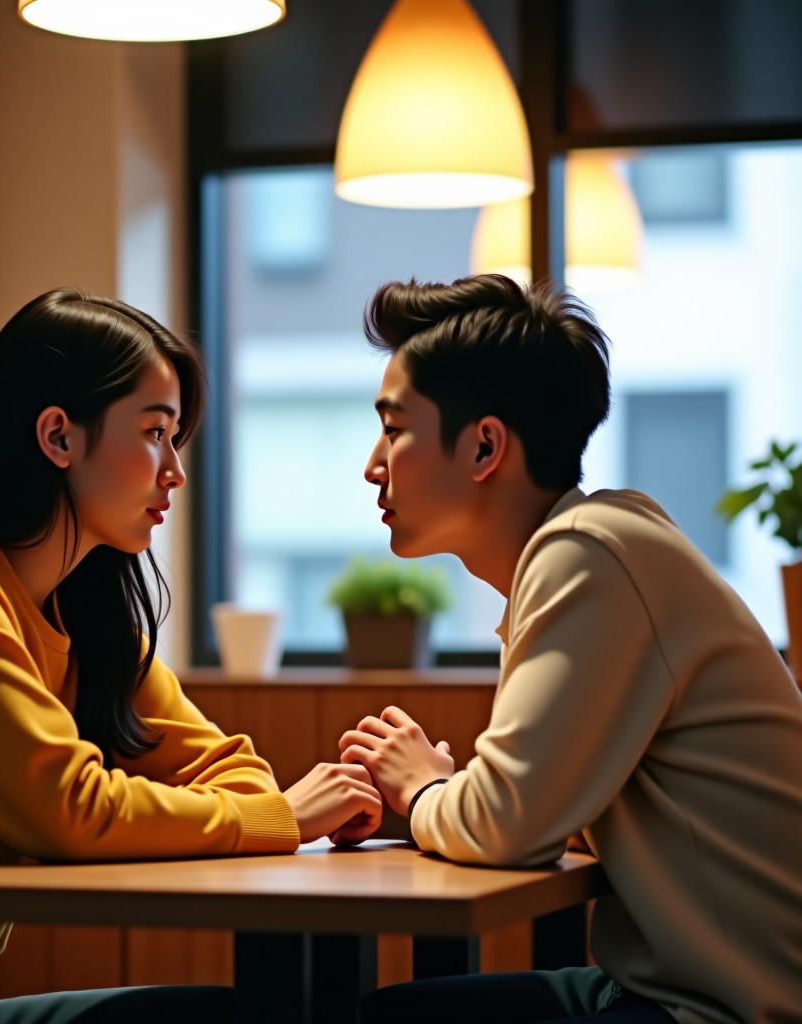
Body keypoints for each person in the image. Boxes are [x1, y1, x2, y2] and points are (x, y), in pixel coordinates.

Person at [0, 288, 381, 1024]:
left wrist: (269, 811)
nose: (175, 470)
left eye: (176, 438)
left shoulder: (88, 616)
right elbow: (67, 812)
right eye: (154, 432)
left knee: (247, 1013)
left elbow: (229, 769)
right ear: (59, 436)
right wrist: (281, 815)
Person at [337, 274, 802, 1024]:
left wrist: (423, 789)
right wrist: (463, 794)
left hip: (729, 1008)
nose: (373, 464)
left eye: (394, 430)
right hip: (670, 987)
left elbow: (507, 825)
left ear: (484, 446)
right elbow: (541, 809)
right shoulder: (591, 547)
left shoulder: (587, 554)